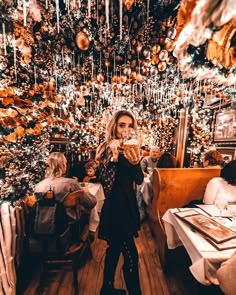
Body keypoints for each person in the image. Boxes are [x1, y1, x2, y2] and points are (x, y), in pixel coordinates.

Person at [96, 110, 144, 295]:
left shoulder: (132, 148)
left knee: (114, 248)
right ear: (114, 126)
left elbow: (139, 180)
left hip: (129, 205)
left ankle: (106, 288)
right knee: (131, 255)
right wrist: (115, 157)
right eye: (122, 124)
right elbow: (107, 186)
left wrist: (136, 161)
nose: (126, 129)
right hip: (115, 208)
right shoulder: (105, 148)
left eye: (130, 125)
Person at [34, 152, 97, 221]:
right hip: (67, 224)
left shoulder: (38, 186)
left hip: (40, 225)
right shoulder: (70, 183)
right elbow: (91, 202)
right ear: (63, 165)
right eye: (65, 163)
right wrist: (86, 191)